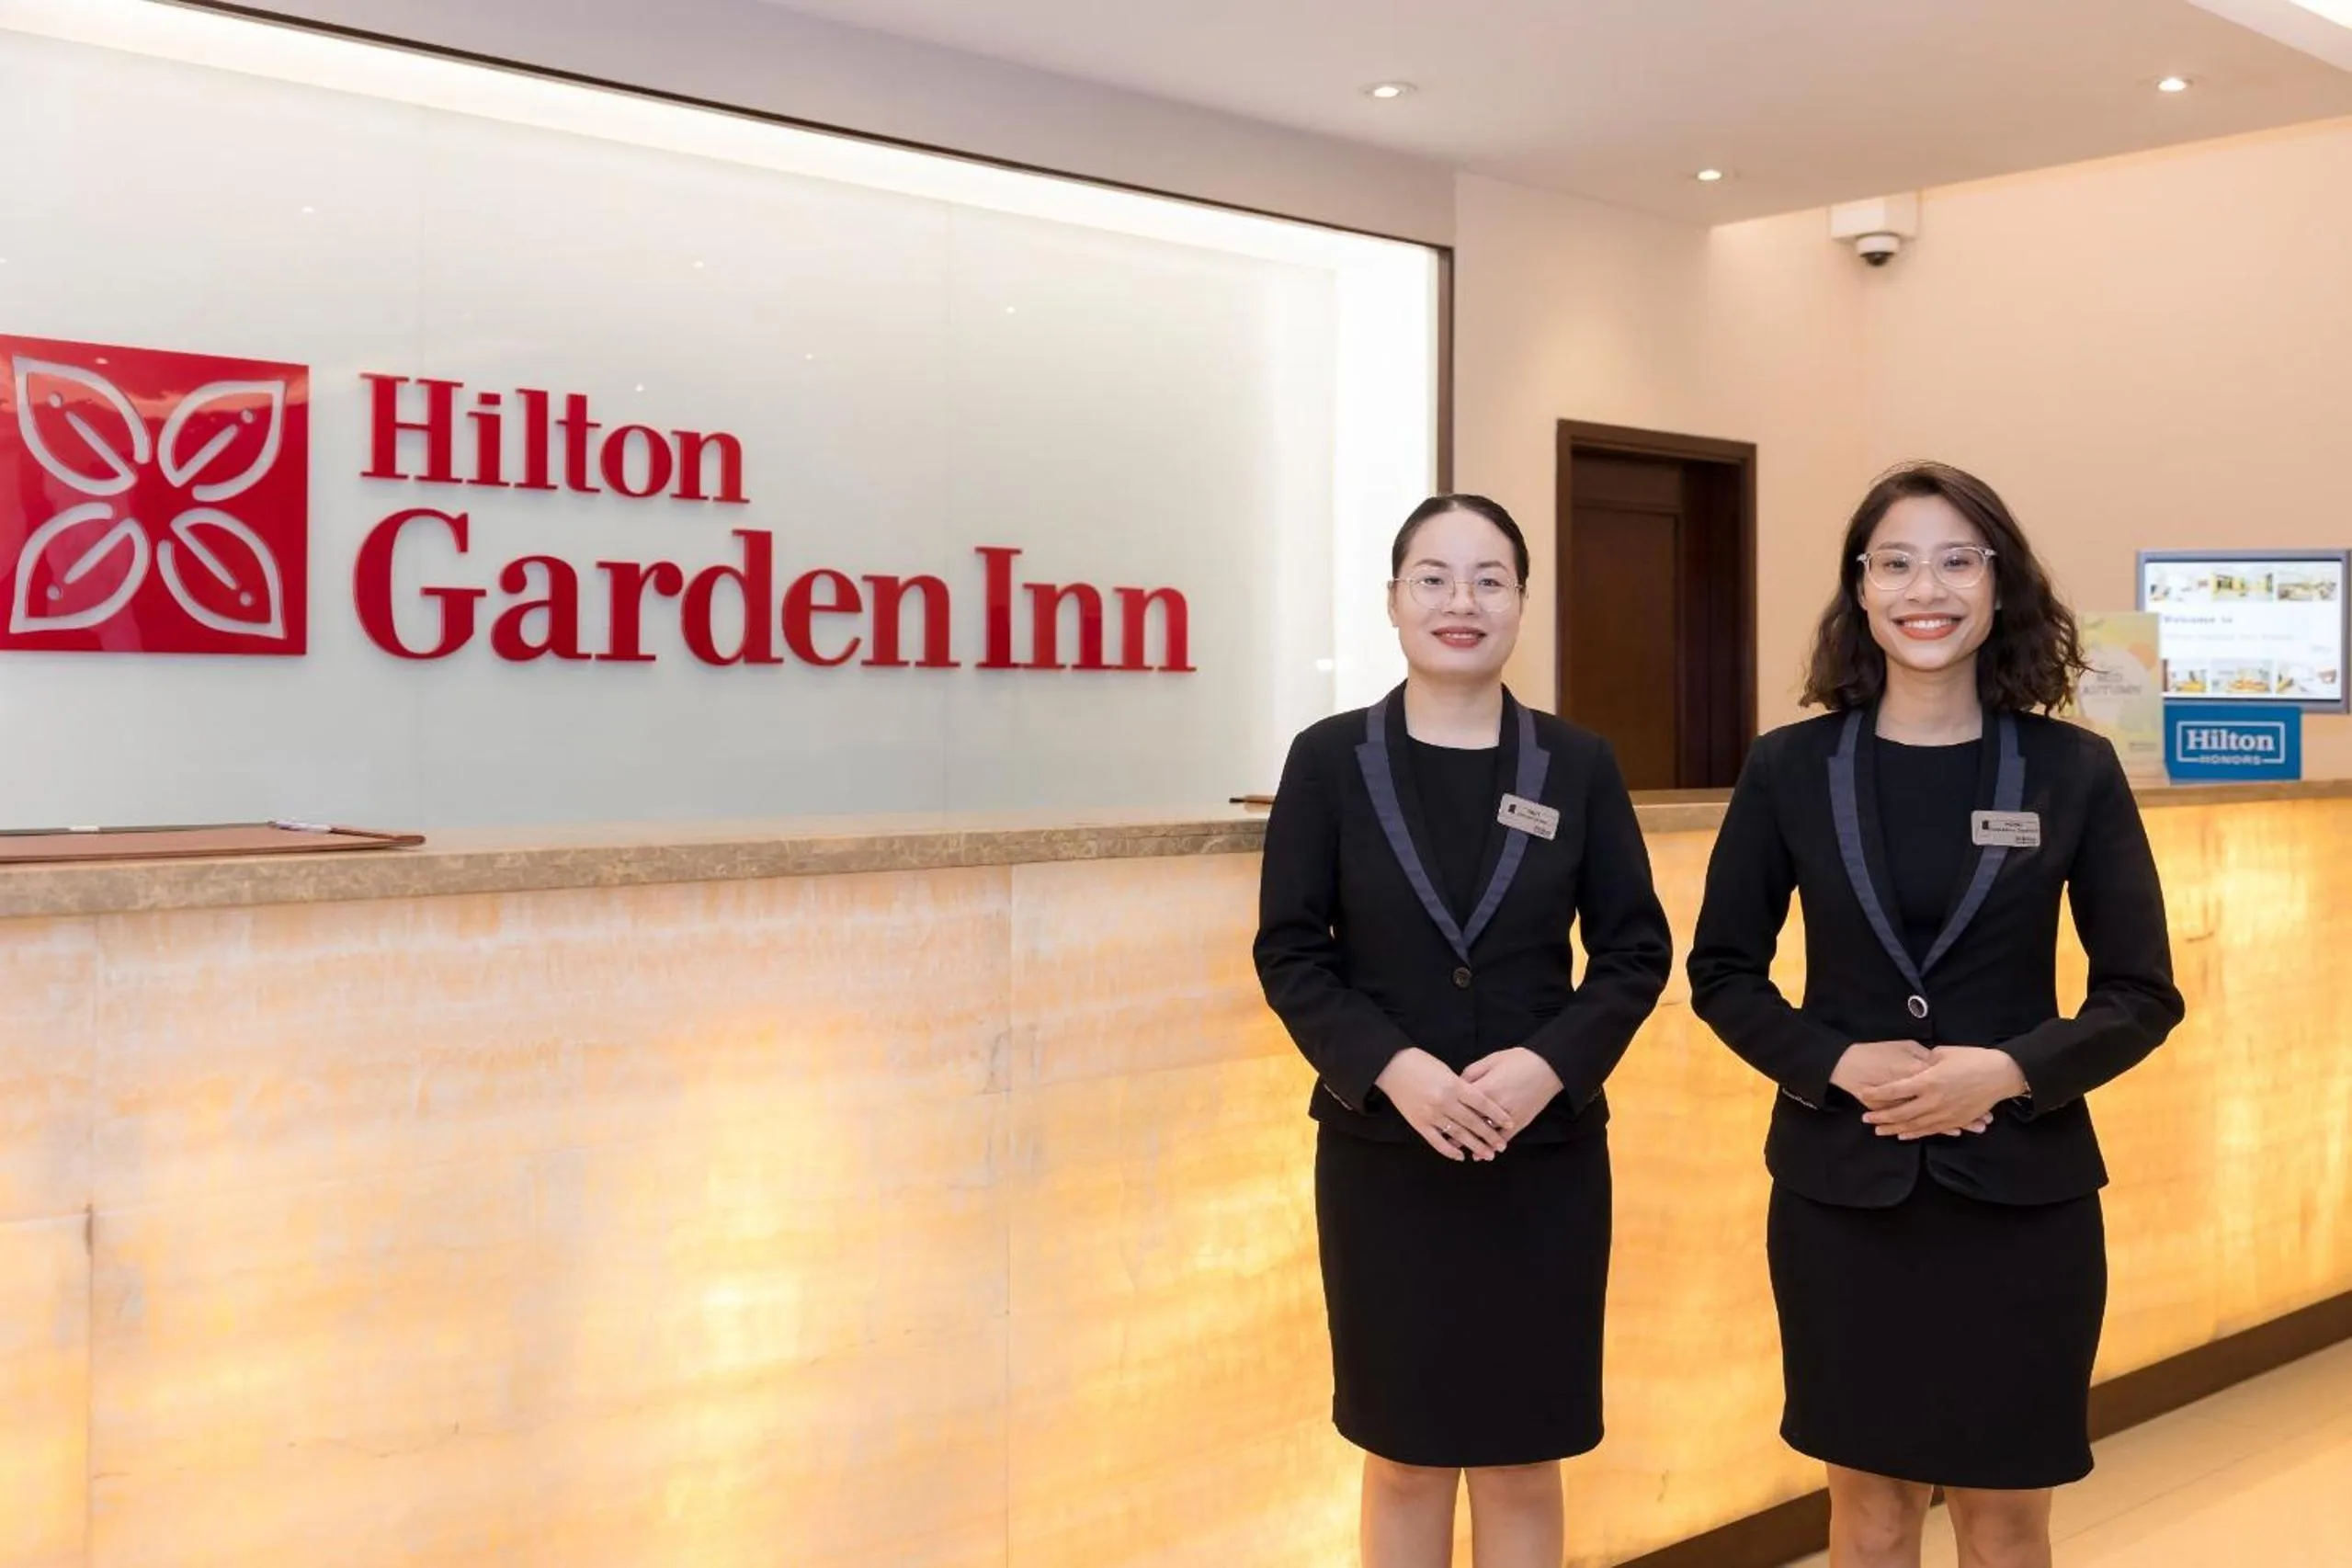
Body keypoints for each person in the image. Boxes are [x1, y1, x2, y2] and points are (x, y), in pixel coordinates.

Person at [1687, 462, 2186, 1568]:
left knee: (2009, 1514)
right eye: (1898, 560)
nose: (1928, 586)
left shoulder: (2072, 770)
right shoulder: (1789, 768)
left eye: (1958, 558)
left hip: (2023, 1201)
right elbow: (1722, 970)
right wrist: (1833, 1062)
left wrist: (2006, 1071)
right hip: (1843, 1199)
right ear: (1860, 590)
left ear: (1999, 584)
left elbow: (2141, 991)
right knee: (1867, 1514)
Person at [1255, 494, 1672, 1568]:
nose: (1461, 601)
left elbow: (1634, 949)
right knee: (1402, 1454)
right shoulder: (1331, 759)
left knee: (1525, 1455)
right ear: (1393, 599)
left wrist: (1549, 1066)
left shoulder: (1576, 763)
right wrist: (1394, 1069)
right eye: (1432, 577)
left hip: (1543, 1159)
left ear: (1522, 602)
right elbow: (1291, 951)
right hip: (1386, 1156)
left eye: (1490, 578)